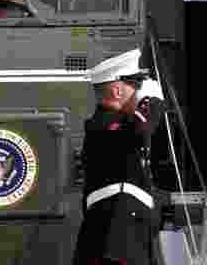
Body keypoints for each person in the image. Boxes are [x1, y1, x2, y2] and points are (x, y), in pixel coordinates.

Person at [73, 49, 166, 265]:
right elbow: (139, 131)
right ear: (116, 90)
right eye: (135, 84)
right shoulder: (103, 126)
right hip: (114, 236)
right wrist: (152, 102)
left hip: (126, 235)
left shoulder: (118, 124)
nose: (139, 90)